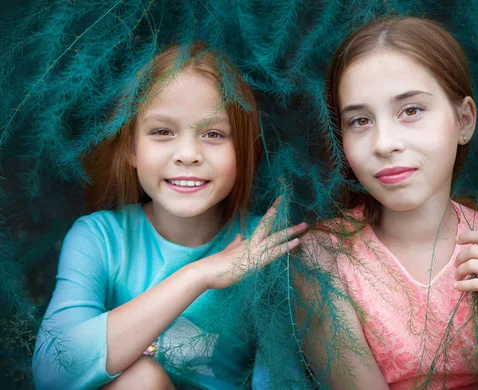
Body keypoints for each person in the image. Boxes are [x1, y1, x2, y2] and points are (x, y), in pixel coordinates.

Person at [298, 17, 478, 389]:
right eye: (360, 120)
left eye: (410, 110)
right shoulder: (324, 259)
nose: (384, 143)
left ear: (464, 120)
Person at [32, 42, 307, 389]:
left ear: (241, 150)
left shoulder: (262, 247)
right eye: (162, 131)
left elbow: (282, 381)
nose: (188, 154)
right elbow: (52, 371)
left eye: (213, 134)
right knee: (142, 379)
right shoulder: (99, 238)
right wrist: (197, 276)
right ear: (131, 148)